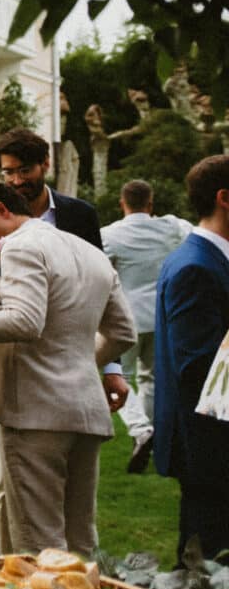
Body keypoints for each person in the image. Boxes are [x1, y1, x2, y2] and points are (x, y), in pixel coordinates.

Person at [0, 183, 134, 554]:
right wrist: (80, 366)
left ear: (2, 209)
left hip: (36, 414)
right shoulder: (90, 251)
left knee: (38, 544)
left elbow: (25, 322)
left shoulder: (22, 246)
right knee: (81, 542)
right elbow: (123, 333)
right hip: (86, 408)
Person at [154, 154, 229, 555]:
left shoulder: (211, 260)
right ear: (224, 198)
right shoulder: (195, 268)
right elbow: (200, 367)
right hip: (210, 448)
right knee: (207, 570)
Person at [104, 179, 192, 473]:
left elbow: (102, 272)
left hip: (127, 318)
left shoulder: (111, 235)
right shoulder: (171, 228)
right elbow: (191, 235)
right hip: (163, 315)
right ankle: (151, 435)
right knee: (151, 378)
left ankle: (141, 431)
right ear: (150, 203)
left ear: (122, 203)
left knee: (121, 376)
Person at [0, 128, 102, 253]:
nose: (17, 181)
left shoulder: (81, 215)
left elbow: (98, 272)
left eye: (25, 171)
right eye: (9, 172)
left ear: (45, 163)